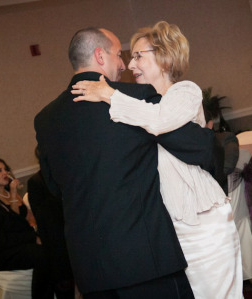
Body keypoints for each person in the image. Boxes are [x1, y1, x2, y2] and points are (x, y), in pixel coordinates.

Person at [35, 27, 215, 299]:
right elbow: (198, 148)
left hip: (91, 270)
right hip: (146, 260)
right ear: (99, 56)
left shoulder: (45, 119)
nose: (123, 64)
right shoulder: (136, 96)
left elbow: (54, 188)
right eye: (119, 55)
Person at [71, 21, 243, 299]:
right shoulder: (136, 103)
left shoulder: (185, 91)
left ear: (164, 56)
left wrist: (109, 94)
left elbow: (160, 121)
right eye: (129, 56)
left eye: (139, 55)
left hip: (204, 224)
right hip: (171, 231)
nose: (130, 64)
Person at [0, 158, 53, 298]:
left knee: (52, 244)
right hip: (4, 250)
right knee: (41, 254)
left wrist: (37, 230)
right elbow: (11, 226)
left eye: (6, 169)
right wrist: (32, 237)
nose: (5, 173)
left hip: (21, 240)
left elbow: (27, 218)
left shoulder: (11, 194)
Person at [27, 149, 75, 299]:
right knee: (64, 286)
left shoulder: (65, 176)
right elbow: (43, 220)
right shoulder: (35, 182)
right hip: (56, 243)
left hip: (72, 236)